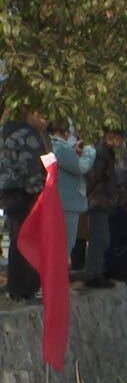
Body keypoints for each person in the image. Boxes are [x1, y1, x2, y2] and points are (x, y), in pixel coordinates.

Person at [0, 107, 48, 302]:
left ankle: (17, 287)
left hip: (10, 191)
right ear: (31, 113)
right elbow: (34, 167)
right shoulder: (27, 134)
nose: (46, 121)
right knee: (26, 240)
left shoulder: (6, 131)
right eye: (44, 116)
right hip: (24, 192)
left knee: (17, 240)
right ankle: (23, 288)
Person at [48, 120, 96, 261]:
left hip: (60, 201)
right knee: (65, 246)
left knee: (58, 245)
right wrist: (90, 150)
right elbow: (80, 167)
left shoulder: (50, 144)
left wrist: (73, 152)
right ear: (66, 131)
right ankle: (57, 279)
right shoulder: (59, 146)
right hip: (66, 203)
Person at [83, 126, 124, 288]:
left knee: (103, 239)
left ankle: (97, 272)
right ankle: (92, 275)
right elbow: (93, 178)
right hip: (98, 201)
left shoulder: (107, 154)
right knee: (99, 239)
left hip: (104, 201)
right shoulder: (100, 153)